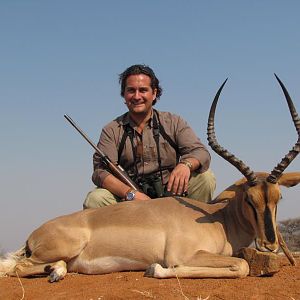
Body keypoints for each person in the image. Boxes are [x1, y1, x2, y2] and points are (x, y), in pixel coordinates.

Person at [83, 64, 216, 208]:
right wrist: (130, 194)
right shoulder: (111, 130)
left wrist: (186, 165)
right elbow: (100, 173)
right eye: (131, 90)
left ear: (154, 93)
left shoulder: (173, 121)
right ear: (124, 95)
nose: (137, 96)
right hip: (130, 201)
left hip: (172, 193)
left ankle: (191, 229)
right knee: (96, 199)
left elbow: (201, 152)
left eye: (143, 90)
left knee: (205, 178)